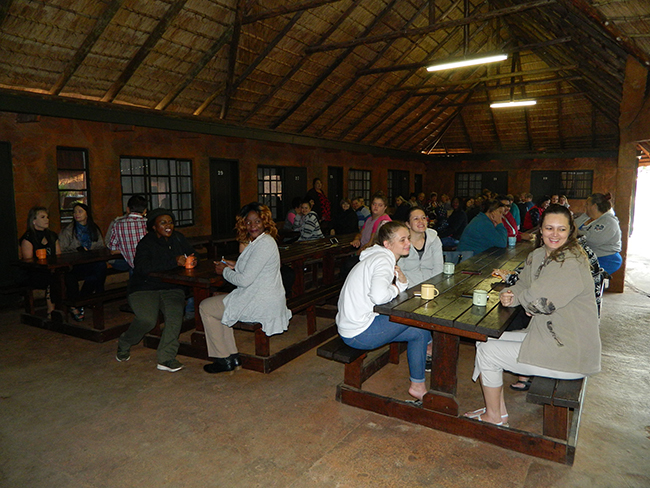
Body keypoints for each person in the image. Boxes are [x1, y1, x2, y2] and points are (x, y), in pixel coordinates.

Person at [465, 205, 601, 425]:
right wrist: (511, 295)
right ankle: (498, 411)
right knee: (485, 340)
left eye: (561, 229)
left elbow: (540, 304)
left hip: (570, 350)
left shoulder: (570, 261)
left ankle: (494, 417)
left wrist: (526, 300)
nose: (554, 234)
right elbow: (523, 285)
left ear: (570, 231)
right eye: (549, 228)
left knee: (488, 353)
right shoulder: (538, 254)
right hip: (548, 335)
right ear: (541, 229)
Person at [337, 221, 430, 401]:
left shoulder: (377, 256)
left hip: (350, 325)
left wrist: (401, 283)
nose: (408, 243)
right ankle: (428, 360)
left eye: (408, 238)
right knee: (421, 320)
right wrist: (398, 288)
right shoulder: (383, 260)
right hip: (359, 332)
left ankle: (417, 386)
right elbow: (379, 297)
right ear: (387, 244)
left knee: (420, 332)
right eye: (402, 240)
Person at [201, 203, 291, 374]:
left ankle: (223, 359)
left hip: (259, 302)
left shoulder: (264, 243)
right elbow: (255, 267)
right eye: (248, 222)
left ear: (265, 222)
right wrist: (234, 265)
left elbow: (244, 280)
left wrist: (224, 271)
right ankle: (232, 356)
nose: (252, 226)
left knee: (206, 307)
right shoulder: (262, 241)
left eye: (257, 221)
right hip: (263, 297)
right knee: (219, 307)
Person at [116, 208, 196, 372]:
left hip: (172, 287)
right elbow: (142, 267)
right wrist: (173, 261)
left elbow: (193, 253)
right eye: (163, 223)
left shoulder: (178, 238)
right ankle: (125, 341)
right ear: (153, 226)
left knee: (175, 317)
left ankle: (166, 357)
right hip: (145, 287)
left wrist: (193, 260)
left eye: (171, 222)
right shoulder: (146, 243)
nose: (168, 226)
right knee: (147, 320)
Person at [59, 202, 107, 322]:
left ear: (87, 214)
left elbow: (101, 246)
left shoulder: (94, 228)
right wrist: (77, 251)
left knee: (100, 268)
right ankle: (79, 302)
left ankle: (88, 298)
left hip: (90, 262)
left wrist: (90, 251)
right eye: (75, 212)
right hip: (74, 264)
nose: (77, 214)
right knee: (71, 277)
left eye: (80, 211)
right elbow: (61, 250)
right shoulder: (68, 231)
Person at [19, 206, 62, 315]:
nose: (46, 220)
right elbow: (28, 261)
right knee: (52, 278)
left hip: (51, 269)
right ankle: (51, 310)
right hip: (35, 272)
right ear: (34, 221)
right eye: (42, 217)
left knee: (64, 276)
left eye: (47, 217)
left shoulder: (52, 235)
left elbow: (58, 255)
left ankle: (68, 305)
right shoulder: (28, 238)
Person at [574, 192, 622, 275]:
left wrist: (576, 232)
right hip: (596, 257)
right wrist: (585, 216)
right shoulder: (597, 220)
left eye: (587, 204)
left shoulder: (608, 221)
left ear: (594, 206)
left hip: (606, 259)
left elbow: (593, 239)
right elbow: (573, 226)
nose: (585, 206)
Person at [400, 207, 443, 285]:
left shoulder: (434, 239)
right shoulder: (402, 242)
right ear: (408, 224)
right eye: (416, 219)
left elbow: (438, 267)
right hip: (408, 287)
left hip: (432, 285)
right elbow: (401, 271)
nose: (421, 221)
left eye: (423, 218)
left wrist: (432, 286)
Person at [107, 194, 148, 276]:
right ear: (145, 211)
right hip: (149, 265)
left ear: (128, 209)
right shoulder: (148, 223)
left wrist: (125, 248)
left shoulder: (117, 224)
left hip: (132, 265)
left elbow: (112, 249)